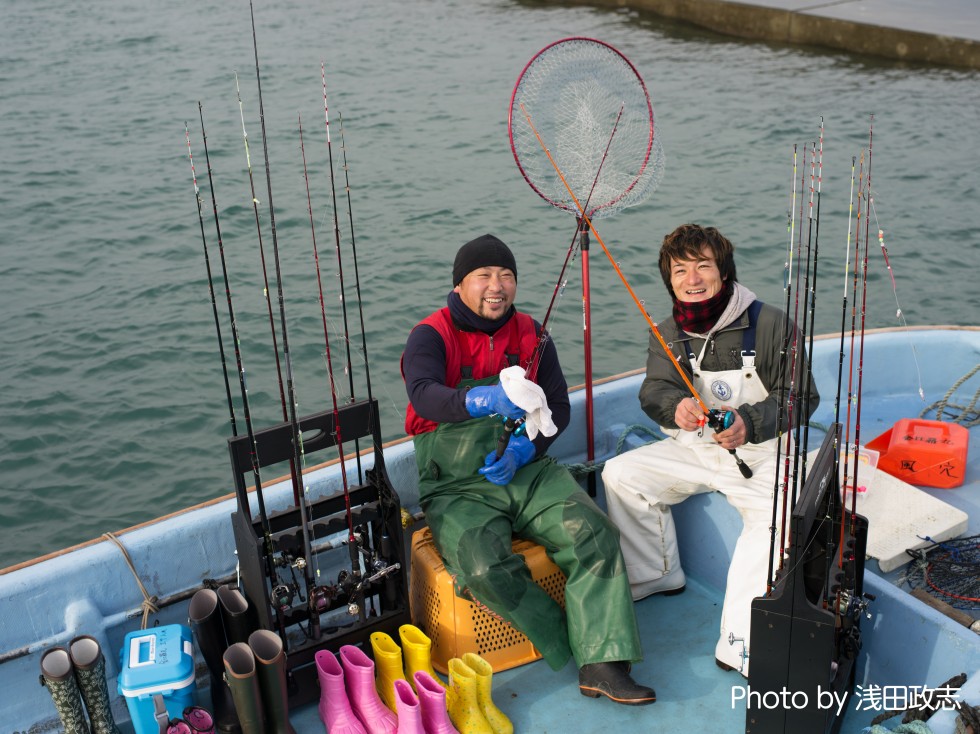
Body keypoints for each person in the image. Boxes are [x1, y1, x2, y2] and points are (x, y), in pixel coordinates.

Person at [402, 233, 656, 705]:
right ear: (460, 285)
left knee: (594, 533)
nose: (496, 286)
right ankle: (570, 639)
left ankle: (602, 664)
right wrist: (480, 399)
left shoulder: (532, 335)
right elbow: (423, 393)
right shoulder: (431, 335)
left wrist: (526, 449)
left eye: (506, 276)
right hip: (458, 486)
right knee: (481, 566)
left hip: (525, 470)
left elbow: (557, 407)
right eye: (484, 276)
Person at [601, 223, 819, 675]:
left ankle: (740, 645)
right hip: (695, 449)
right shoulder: (667, 331)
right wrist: (673, 407)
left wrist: (750, 422)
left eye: (703, 266)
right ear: (670, 279)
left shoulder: (773, 323)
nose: (693, 279)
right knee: (620, 475)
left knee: (772, 523)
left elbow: (801, 397)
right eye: (681, 270)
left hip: (764, 454)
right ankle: (656, 574)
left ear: (724, 271)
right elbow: (654, 389)